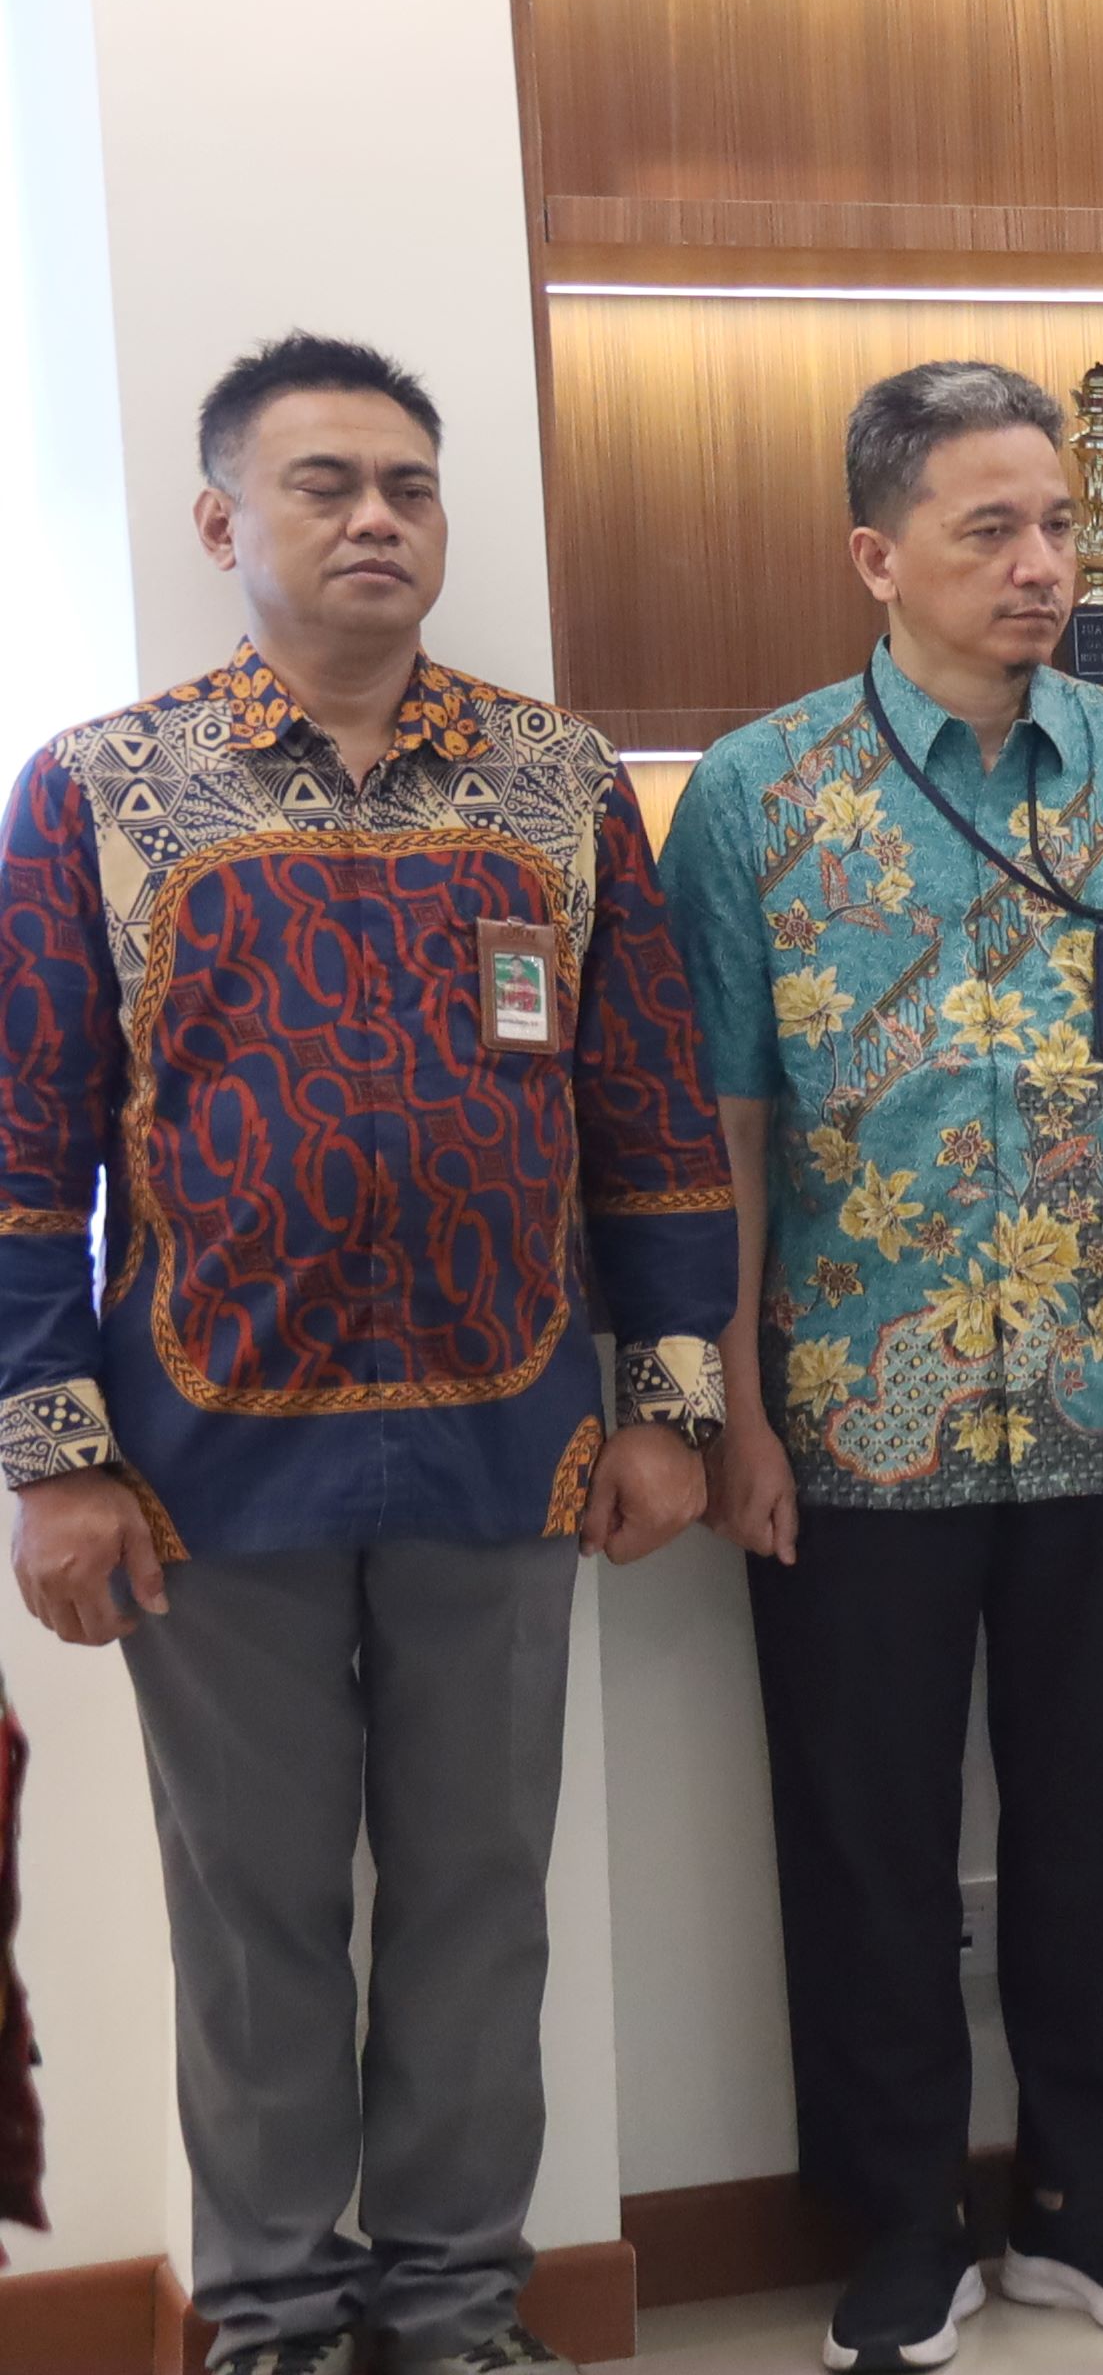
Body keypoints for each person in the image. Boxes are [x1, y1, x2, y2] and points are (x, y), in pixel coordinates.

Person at [0, 334, 733, 2375]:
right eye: (323, 484)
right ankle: (272, 2320)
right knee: (254, 1921)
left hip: (510, 1443)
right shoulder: (99, 790)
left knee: (482, 1903)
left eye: (409, 485)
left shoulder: (558, 781)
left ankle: (455, 2308)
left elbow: (649, 1111)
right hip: (204, 1462)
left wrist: (670, 1404)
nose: (376, 520)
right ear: (221, 520)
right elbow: (22, 1147)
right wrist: (52, 1458)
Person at [660, 361, 1103, 2369]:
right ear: (878, 557)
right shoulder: (757, 795)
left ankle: (1089, 2200)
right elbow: (729, 1131)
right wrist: (734, 1406)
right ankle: (898, 2224)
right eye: (992, 531)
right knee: (862, 1837)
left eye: (1060, 527)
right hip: (852, 1413)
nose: (1044, 566)